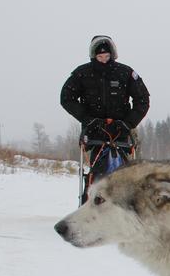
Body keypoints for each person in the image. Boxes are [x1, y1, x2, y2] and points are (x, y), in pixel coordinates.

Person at [60, 35, 150, 203]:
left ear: (112, 55)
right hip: (95, 131)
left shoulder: (125, 73)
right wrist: (87, 119)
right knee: (98, 172)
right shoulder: (82, 73)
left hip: (120, 131)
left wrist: (128, 123)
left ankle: (125, 207)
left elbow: (143, 99)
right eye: (100, 57)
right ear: (93, 56)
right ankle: (91, 204)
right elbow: (66, 98)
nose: (103, 60)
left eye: (106, 56)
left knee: (124, 173)